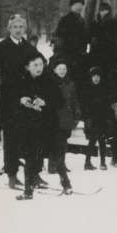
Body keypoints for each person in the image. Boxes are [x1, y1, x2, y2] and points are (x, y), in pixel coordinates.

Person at [0, 14, 41, 188]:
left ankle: (33, 174)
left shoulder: (28, 47)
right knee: (11, 137)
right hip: (9, 98)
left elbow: (42, 64)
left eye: (21, 27)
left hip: (28, 96)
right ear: (9, 29)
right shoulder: (1, 47)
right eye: (15, 27)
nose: (18, 30)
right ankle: (12, 175)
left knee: (31, 136)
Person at [13, 51, 71, 199]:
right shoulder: (21, 82)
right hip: (29, 126)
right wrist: (21, 100)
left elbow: (61, 101)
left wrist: (46, 102)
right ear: (27, 67)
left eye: (41, 64)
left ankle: (66, 185)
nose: (39, 67)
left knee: (56, 156)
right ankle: (28, 191)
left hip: (48, 125)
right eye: (35, 65)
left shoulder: (49, 80)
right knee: (30, 157)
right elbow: (11, 101)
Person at [48, 57, 82, 176]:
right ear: (54, 70)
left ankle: (61, 164)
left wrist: (77, 113)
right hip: (55, 116)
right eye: (60, 68)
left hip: (67, 116)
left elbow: (74, 100)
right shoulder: (51, 82)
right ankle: (52, 164)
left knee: (63, 141)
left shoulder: (70, 83)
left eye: (64, 68)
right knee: (54, 141)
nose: (62, 71)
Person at [81, 67, 113, 170]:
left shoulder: (104, 89)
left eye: (98, 76)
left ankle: (103, 163)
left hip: (102, 120)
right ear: (90, 77)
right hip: (91, 120)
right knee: (91, 141)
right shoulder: (86, 90)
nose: (96, 78)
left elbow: (108, 105)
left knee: (102, 141)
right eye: (94, 76)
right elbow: (84, 105)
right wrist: (87, 118)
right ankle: (87, 162)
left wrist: (108, 117)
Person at [53, 0, 89, 88]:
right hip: (68, 56)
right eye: (76, 5)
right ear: (71, 6)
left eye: (81, 5)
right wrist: (60, 55)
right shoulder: (65, 20)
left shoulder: (82, 20)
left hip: (80, 56)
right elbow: (59, 38)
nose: (79, 7)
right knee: (70, 79)